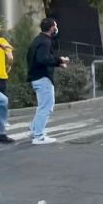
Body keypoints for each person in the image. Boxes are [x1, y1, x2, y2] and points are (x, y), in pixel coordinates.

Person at [27, 18, 70, 146]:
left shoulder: (37, 40)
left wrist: (58, 62)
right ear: (51, 28)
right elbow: (43, 59)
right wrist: (60, 61)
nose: (56, 28)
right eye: (55, 26)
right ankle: (39, 136)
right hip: (43, 78)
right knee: (47, 107)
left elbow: (40, 59)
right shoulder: (45, 42)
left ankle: (34, 129)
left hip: (36, 77)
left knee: (42, 106)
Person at [0, 18, 15, 144]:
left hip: (1, 77)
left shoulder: (3, 40)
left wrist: (8, 66)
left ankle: (0, 131)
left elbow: (10, 56)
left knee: (1, 103)